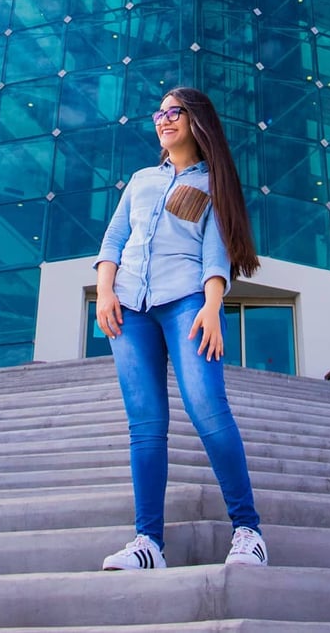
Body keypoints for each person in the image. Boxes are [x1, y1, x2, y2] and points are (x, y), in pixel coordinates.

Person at [94, 87, 267, 571]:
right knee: (145, 425)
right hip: (129, 307)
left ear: (196, 121)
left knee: (207, 407)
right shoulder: (141, 179)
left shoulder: (213, 182)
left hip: (188, 301)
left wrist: (212, 305)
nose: (164, 119)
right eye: (160, 112)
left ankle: (248, 531)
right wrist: (105, 292)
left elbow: (215, 251)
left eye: (175, 112)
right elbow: (114, 239)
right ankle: (147, 542)